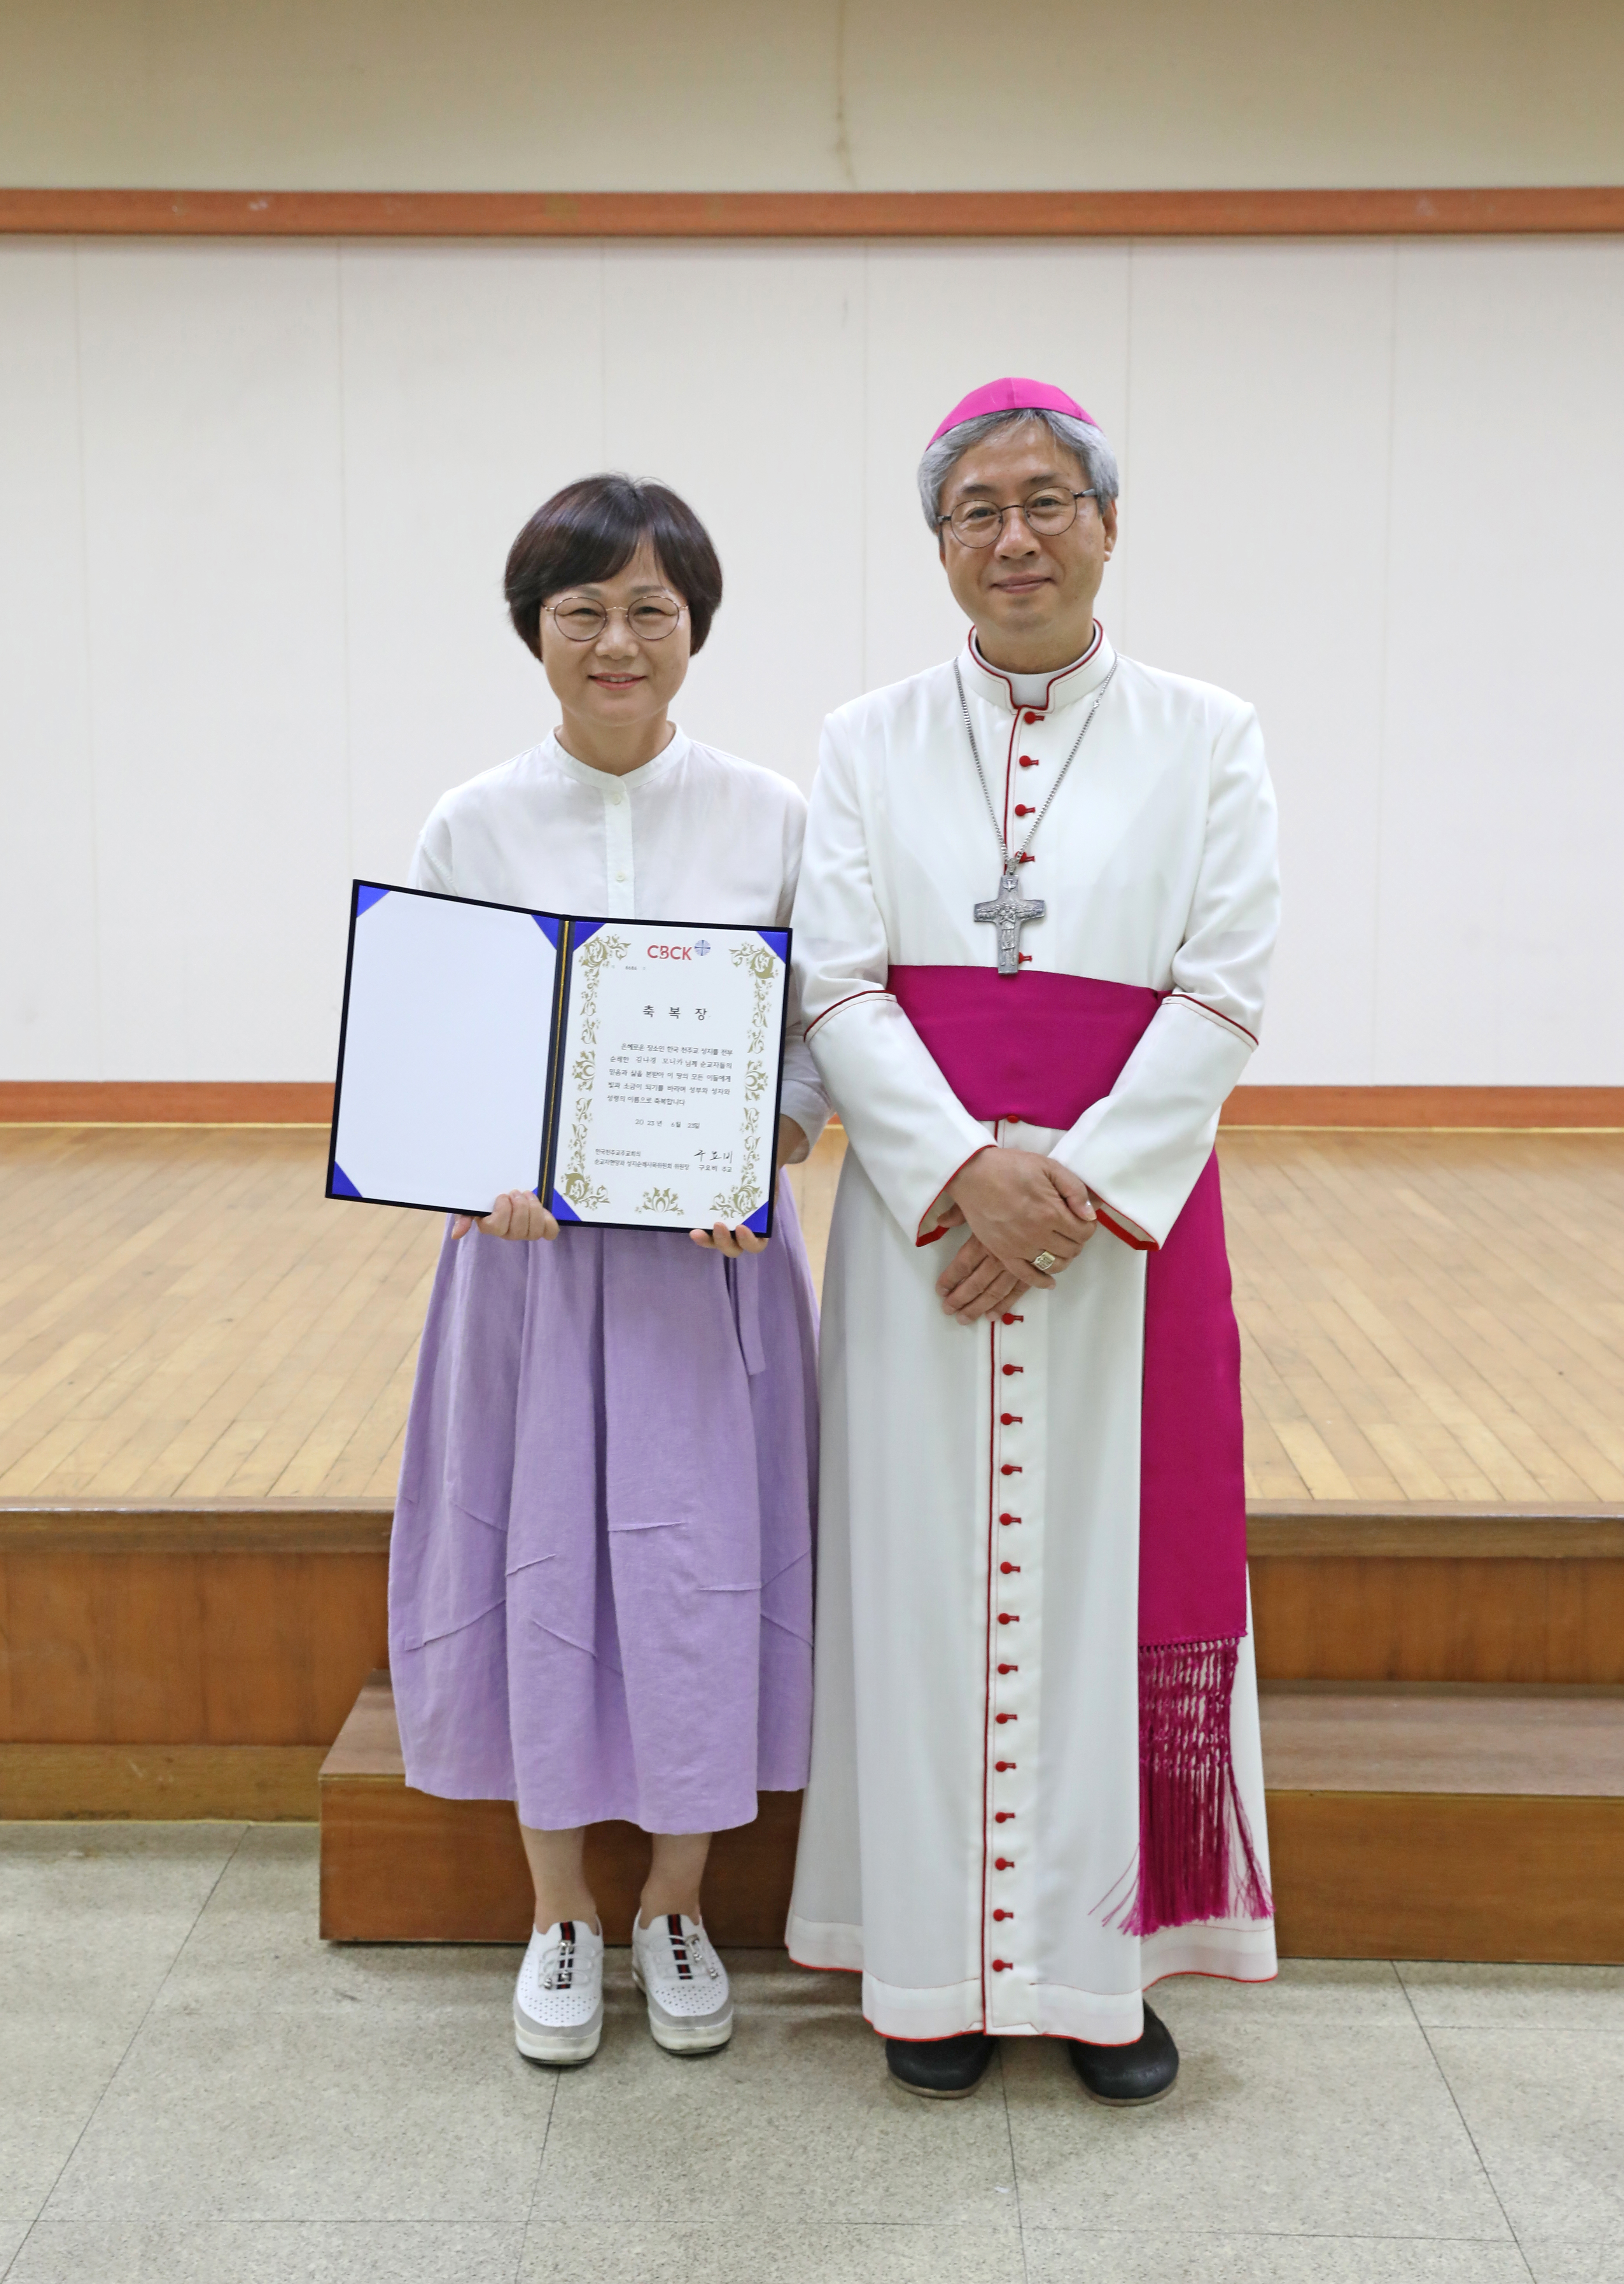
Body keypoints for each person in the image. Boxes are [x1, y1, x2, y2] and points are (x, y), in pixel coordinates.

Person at [786, 377, 1280, 2101]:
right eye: (977, 509)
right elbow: (837, 976)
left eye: (1046, 500)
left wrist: (1062, 1194)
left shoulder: (1212, 733)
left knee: (1104, 1589)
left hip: (1122, 1250)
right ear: (938, 546)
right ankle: (929, 1970)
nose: (1015, 536)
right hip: (929, 1240)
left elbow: (1223, 986)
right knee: (925, 1594)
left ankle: (1100, 1977)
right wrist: (957, 1171)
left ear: (1108, 523)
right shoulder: (862, 740)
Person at [388, 475, 826, 2067]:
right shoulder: (474, 818)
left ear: (696, 628)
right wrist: (469, 1168)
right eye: (586, 610)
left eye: (652, 607)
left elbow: (814, 1048)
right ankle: (560, 1908)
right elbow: (437, 1050)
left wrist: (767, 1151)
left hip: (706, 1280)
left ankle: (679, 1903)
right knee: (543, 1568)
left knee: (700, 1568)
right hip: (526, 1280)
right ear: (537, 633)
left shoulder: (775, 816)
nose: (619, 639)